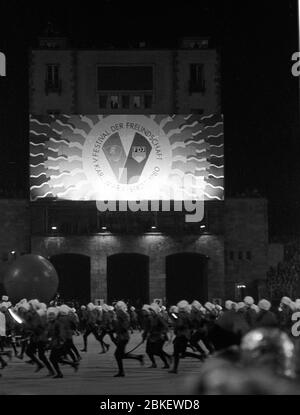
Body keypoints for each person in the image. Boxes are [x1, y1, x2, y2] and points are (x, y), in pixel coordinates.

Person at [111, 301, 144, 377]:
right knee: (120, 355)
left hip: (123, 337)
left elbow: (125, 324)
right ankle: (138, 357)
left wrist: (119, 327)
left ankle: (121, 372)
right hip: (122, 336)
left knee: (118, 355)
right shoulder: (121, 312)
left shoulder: (121, 313)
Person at [142, 302, 171, 369]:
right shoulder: (152, 318)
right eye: (150, 311)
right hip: (152, 337)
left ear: (155, 311)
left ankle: (166, 364)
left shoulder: (159, 317)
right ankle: (154, 364)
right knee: (148, 351)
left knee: (158, 351)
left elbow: (166, 326)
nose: (150, 312)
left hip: (159, 337)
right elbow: (149, 328)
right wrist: (146, 335)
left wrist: (162, 333)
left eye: (152, 311)